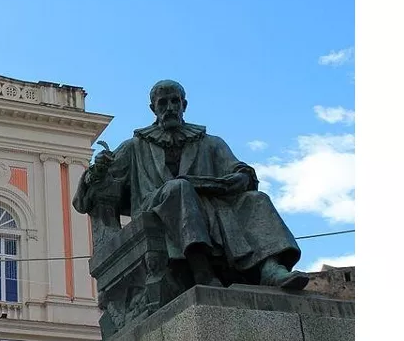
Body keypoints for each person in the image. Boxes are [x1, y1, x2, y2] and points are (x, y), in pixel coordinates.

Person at [73, 79, 309, 289]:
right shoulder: (135, 146)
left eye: (175, 102)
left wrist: (241, 177)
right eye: (163, 103)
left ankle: (270, 268)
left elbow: (239, 170)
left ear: (184, 105)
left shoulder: (210, 142)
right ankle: (201, 270)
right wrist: (97, 171)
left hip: (212, 205)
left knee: (257, 199)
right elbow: (87, 197)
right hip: (156, 207)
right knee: (178, 188)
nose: (169, 108)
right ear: (153, 108)